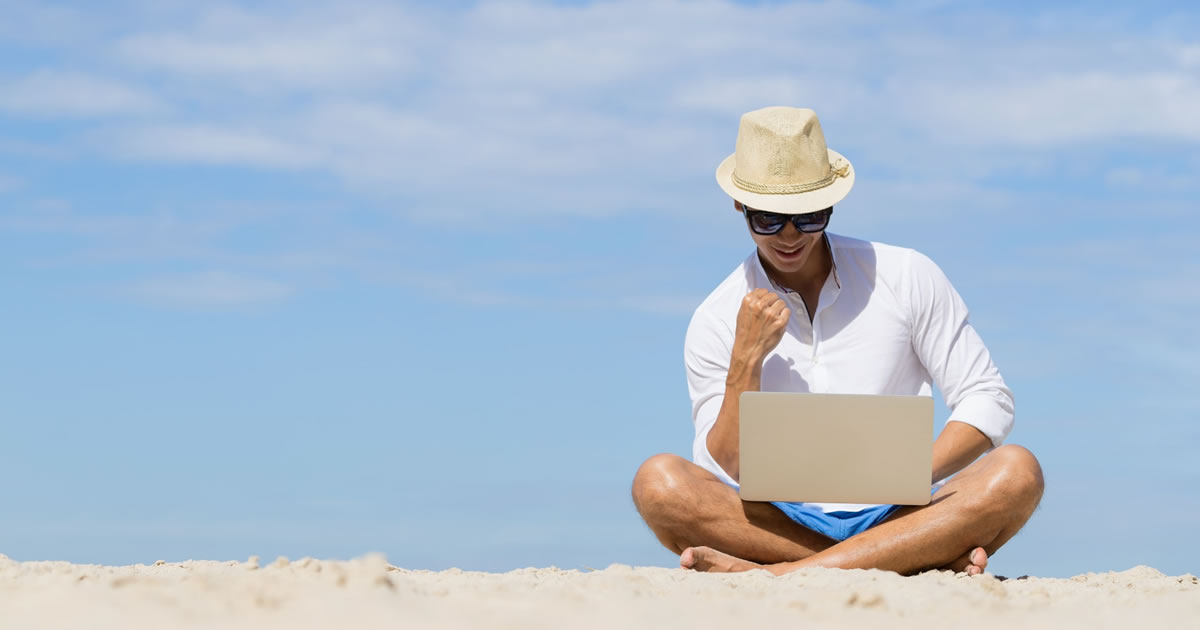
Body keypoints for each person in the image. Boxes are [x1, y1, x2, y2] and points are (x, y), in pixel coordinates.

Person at [630, 106, 1044, 576]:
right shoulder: (717, 316)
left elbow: (987, 399)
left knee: (1017, 471)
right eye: (770, 219)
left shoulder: (906, 274)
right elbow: (721, 465)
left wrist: (908, 475)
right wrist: (746, 359)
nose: (790, 236)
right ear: (740, 206)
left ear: (831, 204)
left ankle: (781, 573)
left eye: (808, 216)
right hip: (779, 520)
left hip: (902, 510)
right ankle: (902, 557)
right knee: (658, 483)